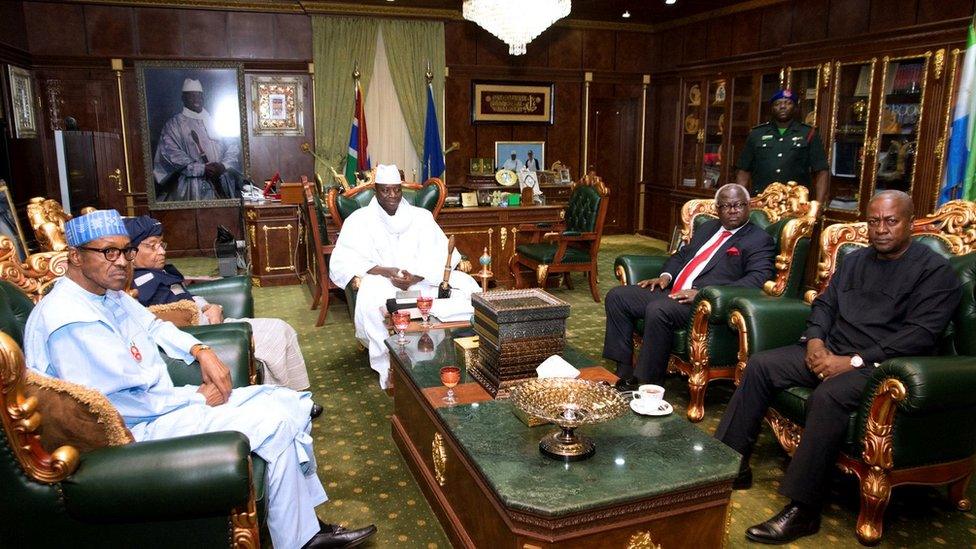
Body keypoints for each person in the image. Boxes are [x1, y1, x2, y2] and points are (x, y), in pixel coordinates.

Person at [22, 210, 376, 549]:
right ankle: (302, 537)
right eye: (108, 252)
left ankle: (302, 531)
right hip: (136, 432)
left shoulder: (106, 295)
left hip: (160, 406)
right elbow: (117, 404)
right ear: (75, 256)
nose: (122, 261)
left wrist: (200, 350)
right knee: (278, 419)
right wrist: (197, 400)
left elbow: (154, 325)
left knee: (286, 400)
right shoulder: (71, 321)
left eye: (126, 250)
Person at [715, 190, 960, 544]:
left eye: (891, 221)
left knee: (828, 396)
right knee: (762, 365)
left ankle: (803, 510)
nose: (881, 230)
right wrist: (815, 342)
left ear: (910, 223)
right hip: (832, 351)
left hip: (884, 366)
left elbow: (920, 335)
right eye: (874, 221)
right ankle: (731, 464)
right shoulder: (856, 259)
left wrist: (855, 362)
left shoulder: (934, 271)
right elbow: (825, 305)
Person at [602, 183, 776, 391]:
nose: (733, 210)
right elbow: (682, 255)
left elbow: (756, 280)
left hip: (703, 303)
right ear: (717, 209)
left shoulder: (758, 239)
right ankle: (623, 372)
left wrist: (704, 295)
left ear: (748, 207)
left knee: (659, 310)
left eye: (739, 205)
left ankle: (646, 384)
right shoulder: (708, 228)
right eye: (726, 206)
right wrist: (665, 276)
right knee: (617, 296)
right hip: (672, 291)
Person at [330, 164, 481, 389]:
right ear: (376, 191)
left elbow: (442, 254)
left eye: (396, 190)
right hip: (382, 281)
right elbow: (343, 260)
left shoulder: (421, 217)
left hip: (423, 279)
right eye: (385, 190)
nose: (392, 196)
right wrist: (385, 271)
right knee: (372, 299)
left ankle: (451, 356)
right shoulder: (359, 219)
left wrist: (416, 277)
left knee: (467, 287)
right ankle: (389, 367)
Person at [124, 215, 311, 392]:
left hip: (214, 323)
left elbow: (185, 297)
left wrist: (209, 307)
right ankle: (280, 396)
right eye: (152, 246)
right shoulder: (138, 285)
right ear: (131, 252)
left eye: (161, 244)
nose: (162, 251)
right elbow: (167, 317)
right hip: (205, 336)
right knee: (275, 336)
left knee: (282, 328)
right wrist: (205, 312)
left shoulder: (159, 272)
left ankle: (296, 394)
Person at [153, 78, 247, 202]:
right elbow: (170, 153)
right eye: (192, 96)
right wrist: (201, 169)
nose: (196, 99)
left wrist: (223, 165)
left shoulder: (215, 120)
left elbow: (232, 146)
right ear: (183, 98)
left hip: (220, 183)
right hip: (191, 188)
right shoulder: (174, 124)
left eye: (199, 96)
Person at [735, 89, 829, 204]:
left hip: (797, 202)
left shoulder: (808, 133)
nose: (782, 107)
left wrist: (818, 204)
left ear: (795, 108)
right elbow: (743, 170)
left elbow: (821, 171)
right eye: (778, 104)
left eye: (788, 103)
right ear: (772, 108)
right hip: (761, 200)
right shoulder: (757, 134)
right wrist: (740, 201)